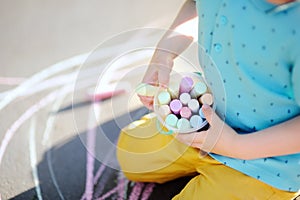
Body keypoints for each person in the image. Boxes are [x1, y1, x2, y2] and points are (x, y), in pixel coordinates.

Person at [117, 0, 300, 199]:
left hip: (268, 165)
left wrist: (236, 146)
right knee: (129, 153)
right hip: (203, 120)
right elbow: (195, 4)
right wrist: (164, 55)